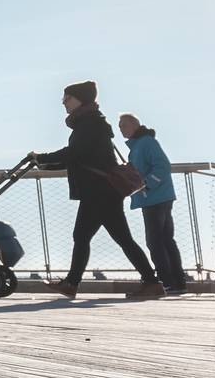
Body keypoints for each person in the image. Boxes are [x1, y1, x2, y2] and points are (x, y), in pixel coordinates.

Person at [31, 80, 162, 299]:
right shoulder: (90, 122)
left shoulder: (90, 123)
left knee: (88, 236)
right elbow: (78, 157)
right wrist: (43, 162)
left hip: (99, 191)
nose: (63, 102)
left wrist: (42, 158)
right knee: (105, 237)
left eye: (67, 98)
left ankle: (73, 284)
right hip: (101, 190)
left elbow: (74, 153)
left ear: (80, 99)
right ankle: (149, 282)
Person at [120, 113, 189, 295]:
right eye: (120, 126)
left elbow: (163, 166)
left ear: (135, 126)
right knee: (166, 239)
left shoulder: (145, 143)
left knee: (155, 241)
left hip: (154, 199)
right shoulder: (139, 145)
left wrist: (147, 185)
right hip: (159, 197)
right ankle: (177, 282)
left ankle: (166, 282)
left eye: (124, 125)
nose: (121, 129)